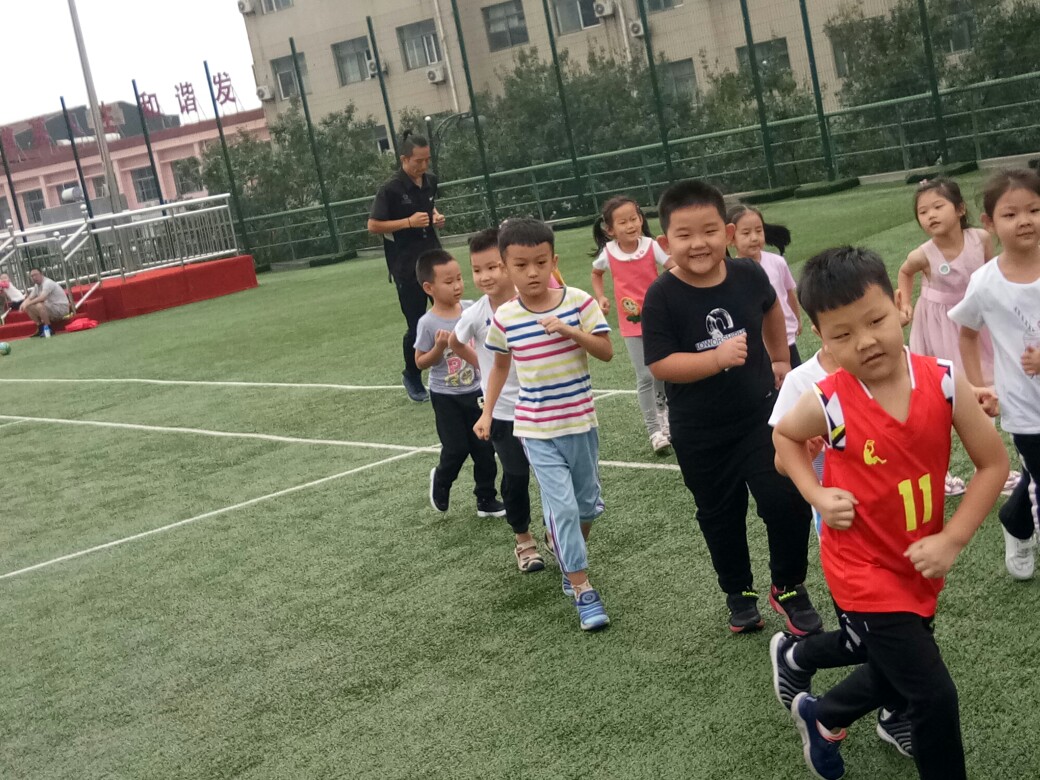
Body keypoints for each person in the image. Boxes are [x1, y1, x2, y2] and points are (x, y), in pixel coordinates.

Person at [773, 246, 1008, 780]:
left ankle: (823, 714)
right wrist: (816, 493)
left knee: (896, 667)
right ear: (821, 338)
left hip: (916, 564)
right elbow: (784, 438)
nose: (865, 341)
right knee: (933, 694)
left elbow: (993, 465)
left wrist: (952, 539)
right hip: (861, 568)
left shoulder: (944, 382)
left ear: (901, 306)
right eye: (842, 334)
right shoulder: (829, 401)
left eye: (875, 320)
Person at [641, 179, 821, 637]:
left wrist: (779, 359)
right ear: (665, 243)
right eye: (684, 235)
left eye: (708, 231)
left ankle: (788, 586)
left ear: (726, 233)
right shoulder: (662, 295)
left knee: (787, 498)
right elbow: (660, 363)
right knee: (720, 515)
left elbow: (772, 309)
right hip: (699, 431)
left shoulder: (748, 274)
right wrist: (715, 359)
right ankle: (738, 593)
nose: (698, 243)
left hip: (761, 417)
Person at [475, 218, 614, 631]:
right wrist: (487, 412)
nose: (532, 272)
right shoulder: (505, 317)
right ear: (506, 267)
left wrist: (570, 331)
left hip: (580, 423)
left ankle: (567, 552)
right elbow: (500, 368)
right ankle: (582, 587)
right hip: (535, 430)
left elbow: (606, 351)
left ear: (554, 261)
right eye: (521, 265)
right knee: (564, 509)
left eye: (540, 262)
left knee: (586, 506)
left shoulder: (579, 301)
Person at [896, 176, 1020, 498]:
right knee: (939, 399)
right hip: (938, 328)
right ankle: (938, 473)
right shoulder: (923, 254)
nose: (931, 215)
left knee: (984, 389)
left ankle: (990, 468)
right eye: (923, 212)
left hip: (975, 326)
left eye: (938, 206)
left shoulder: (980, 239)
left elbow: (991, 273)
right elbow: (905, 272)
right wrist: (905, 303)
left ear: (960, 209)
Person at [950, 168, 1040, 581]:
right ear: (989, 223)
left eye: (1034, 210)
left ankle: (1015, 519)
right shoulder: (985, 283)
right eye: (1010, 214)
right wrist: (977, 385)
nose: (1025, 220)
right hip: (1026, 409)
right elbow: (967, 334)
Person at [449, 229, 544, 573]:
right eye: (477, 270)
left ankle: (557, 532)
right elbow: (456, 343)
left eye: (492, 267)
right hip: (503, 412)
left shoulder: (531, 301)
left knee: (550, 475)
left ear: (507, 264)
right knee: (516, 475)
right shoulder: (476, 314)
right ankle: (524, 540)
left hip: (541, 406)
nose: (485, 276)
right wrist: (483, 367)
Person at [414, 248, 504, 519]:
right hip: (446, 396)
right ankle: (441, 480)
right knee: (456, 448)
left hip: (477, 390)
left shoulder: (471, 309)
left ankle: (486, 498)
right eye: (448, 281)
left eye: (459, 278)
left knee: (484, 447)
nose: (457, 286)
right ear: (429, 288)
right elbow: (420, 362)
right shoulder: (427, 323)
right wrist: (439, 347)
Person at [589, 195, 672, 453]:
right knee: (645, 375)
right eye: (623, 222)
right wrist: (601, 296)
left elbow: (672, 266)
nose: (631, 225)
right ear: (610, 230)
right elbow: (596, 273)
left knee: (663, 372)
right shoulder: (608, 253)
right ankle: (654, 431)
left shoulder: (651, 246)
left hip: (659, 320)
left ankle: (665, 419)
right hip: (631, 325)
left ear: (641, 219)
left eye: (634, 219)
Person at [368, 131, 445, 403]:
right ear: (404, 159)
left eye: (427, 160)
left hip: (434, 259)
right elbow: (373, 225)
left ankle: (456, 372)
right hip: (405, 265)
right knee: (417, 324)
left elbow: (429, 207)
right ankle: (412, 375)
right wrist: (408, 222)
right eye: (418, 161)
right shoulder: (390, 189)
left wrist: (436, 216)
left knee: (449, 314)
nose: (423, 166)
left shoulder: (431, 181)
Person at [729, 205, 804, 367]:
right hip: (755, 344)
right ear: (731, 238)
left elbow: (788, 293)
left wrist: (797, 319)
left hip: (785, 337)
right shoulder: (730, 272)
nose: (754, 238)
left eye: (759, 230)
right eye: (746, 233)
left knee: (793, 377)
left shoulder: (777, 262)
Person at [22, 268, 69, 337]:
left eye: (36, 275)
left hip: (61, 308)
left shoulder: (47, 283)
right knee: (28, 306)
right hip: (51, 307)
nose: (34, 277)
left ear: (41, 274)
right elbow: (30, 297)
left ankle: (49, 329)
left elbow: (42, 298)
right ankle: (40, 328)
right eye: (32, 276)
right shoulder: (37, 285)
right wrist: (24, 304)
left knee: (39, 305)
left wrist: (28, 303)